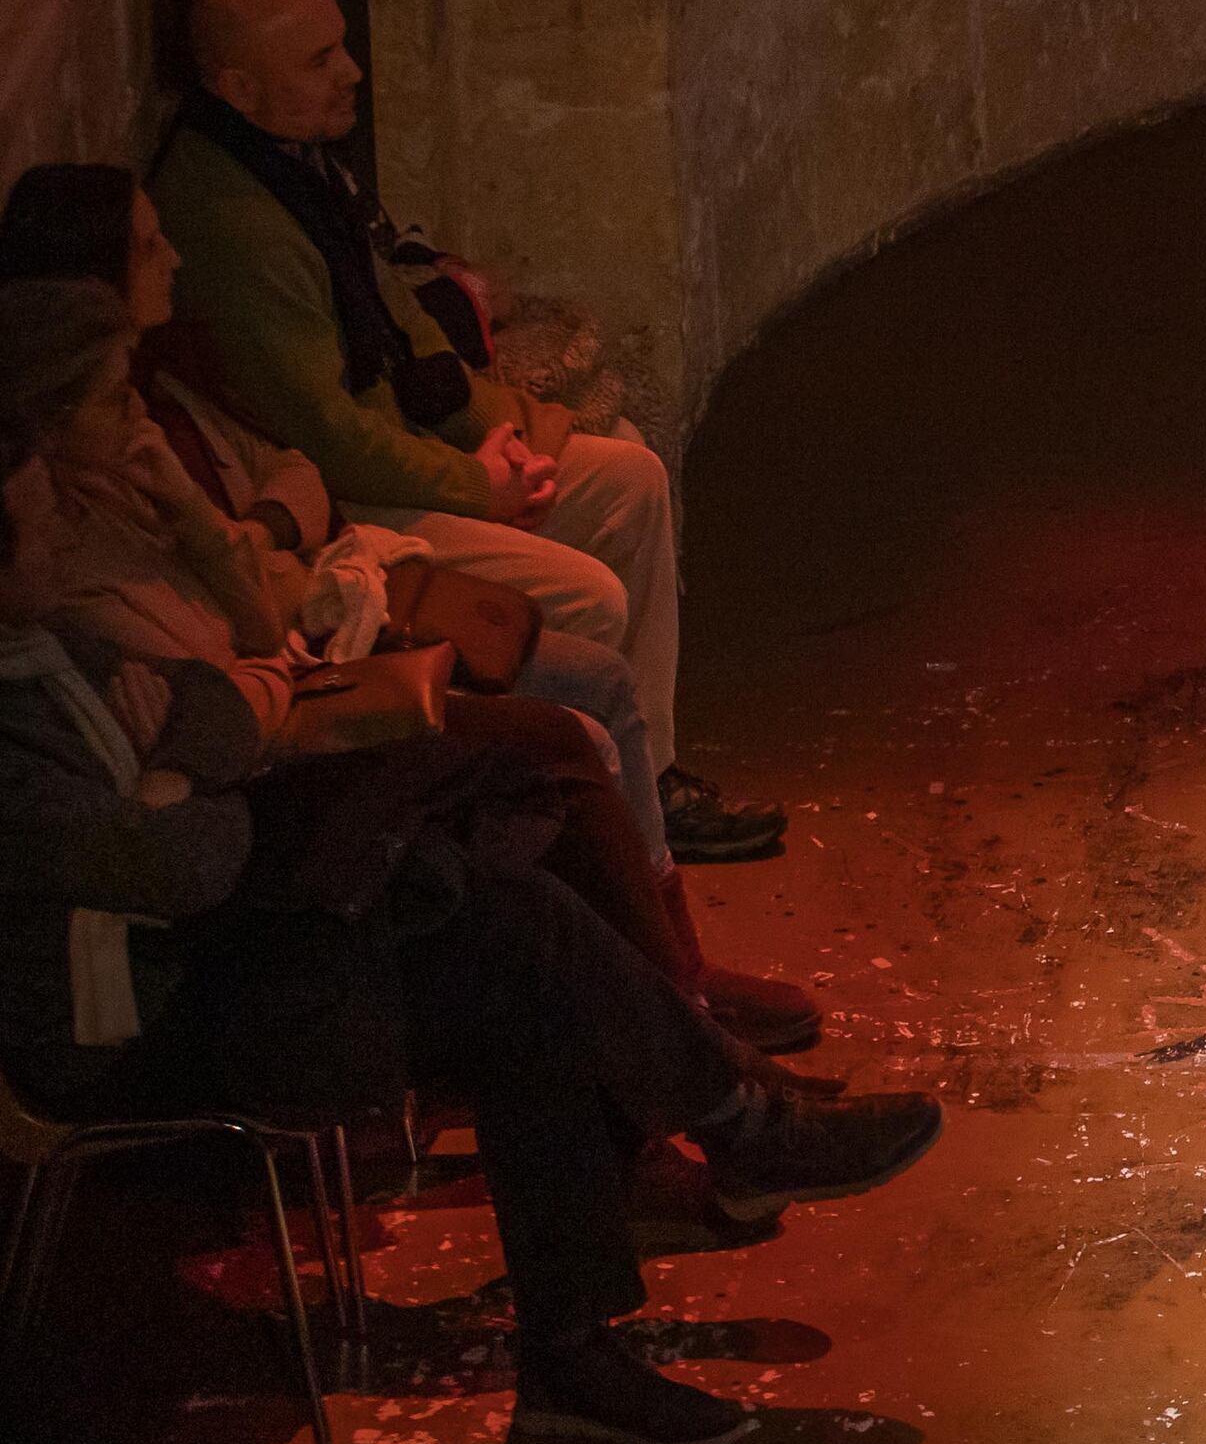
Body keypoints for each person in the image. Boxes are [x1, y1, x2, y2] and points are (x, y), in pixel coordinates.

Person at [0, 414, 941, 1444]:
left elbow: (214, 712)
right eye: (43, 527)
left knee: (509, 924)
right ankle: (693, 1181)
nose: (62, 543)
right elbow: (190, 857)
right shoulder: (19, 718)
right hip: (137, 1026)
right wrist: (205, 761)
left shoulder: (62, 650)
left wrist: (196, 759)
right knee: (499, 895)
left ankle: (632, 1268)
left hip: (205, 955)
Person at [0, 276, 815, 1053]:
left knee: (583, 713)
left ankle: (680, 995)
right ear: (51, 418)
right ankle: (681, 1029)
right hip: (290, 759)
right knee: (548, 781)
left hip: (293, 703)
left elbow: (274, 545)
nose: (135, 407)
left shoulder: (139, 467)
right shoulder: (65, 582)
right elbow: (217, 726)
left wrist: (199, 523)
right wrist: (206, 734)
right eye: (114, 396)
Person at [140, 0, 779, 857]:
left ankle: (653, 775)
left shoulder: (292, 157)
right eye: (321, 60)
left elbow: (404, 328)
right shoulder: (234, 227)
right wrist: (481, 484)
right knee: (591, 596)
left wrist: (513, 432)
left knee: (632, 478)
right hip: (353, 500)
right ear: (237, 86)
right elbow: (333, 437)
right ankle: (587, 823)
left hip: (407, 445)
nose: (352, 73)